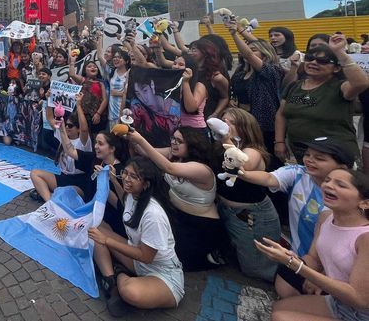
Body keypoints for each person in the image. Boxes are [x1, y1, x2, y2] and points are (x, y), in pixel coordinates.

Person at [237, 137, 354, 297]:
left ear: (342, 166)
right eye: (308, 154)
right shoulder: (298, 173)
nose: (310, 160)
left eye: (319, 158)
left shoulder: (353, 198)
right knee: (285, 292)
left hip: (337, 269)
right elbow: (269, 178)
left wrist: (321, 274)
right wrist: (239, 171)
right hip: (302, 257)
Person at [255, 169, 369, 321]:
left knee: (281, 318)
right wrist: (288, 258)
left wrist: (296, 265)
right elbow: (314, 260)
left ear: (365, 203)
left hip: (362, 314)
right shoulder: (326, 217)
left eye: (340, 185)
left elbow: (360, 299)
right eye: (327, 180)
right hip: (339, 303)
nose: (329, 185)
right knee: (278, 308)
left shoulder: (365, 237)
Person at [88, 157, 184, 316]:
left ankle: (119, 273)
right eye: (125, 173)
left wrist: (106, 241)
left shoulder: (153, 215)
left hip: (162, 273)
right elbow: (125, 200)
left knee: (130, 291)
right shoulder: (133, 196)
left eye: (134, 176)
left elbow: (146, 257)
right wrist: (112, 178)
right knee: (95, 228)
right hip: (138, 262)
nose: (126, 178)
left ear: (146, 184)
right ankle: (111, 281)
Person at [125, 125, 223, 271]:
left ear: (192, 144)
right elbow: (144, 151)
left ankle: (214, 254)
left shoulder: (202, 169)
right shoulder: (174, 155)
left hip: (201, 225)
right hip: (179, 219)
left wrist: (140, 139)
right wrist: (130, 135)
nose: (174, 143)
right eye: (173, 138)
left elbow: (169, 168)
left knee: (178, 263)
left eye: (179, 140)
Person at [275, 34, 368, 163]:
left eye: (323, 61)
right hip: (302, 152)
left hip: (335, 154)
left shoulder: (340, 87)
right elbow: (281, 114)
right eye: (309, 58)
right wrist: (279, 141)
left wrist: (340, 53)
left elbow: (362, 83)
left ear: (336, 68)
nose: (313, 62)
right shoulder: (294, 86)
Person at [213, 109, 282, 281]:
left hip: (252, 216)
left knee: (256, 269)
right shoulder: (224, 147)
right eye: (223, 121)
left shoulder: (253, 151)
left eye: (230, 122)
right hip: (228, 210)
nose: (225, 125)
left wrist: (225, 138)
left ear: (244, 127)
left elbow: (241, 164)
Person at [228, 22, 284, 155]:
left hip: (263, 125)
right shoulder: (240, 73)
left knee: (265, 158)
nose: (246, 52)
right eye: (249, 49)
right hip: (242, 123)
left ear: (265, 54)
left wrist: (235, 33)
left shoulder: (271, 71)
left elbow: (248, 54)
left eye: (254, 50)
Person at [29, 92, 93, 201]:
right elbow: (49, 118)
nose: (67, 127)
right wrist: (48, 100)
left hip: (78, 182)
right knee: (34, 174)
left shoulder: (83, 142)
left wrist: (78, 105)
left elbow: (84, 129)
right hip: (63, 177)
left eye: (71, 126)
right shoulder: (63, 135)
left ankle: (51, 196)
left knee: (64, 193)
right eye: (66, 124)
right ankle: (49, 201)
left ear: (77, 129)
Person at [69, 58, 107, 136]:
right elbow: (72, 74)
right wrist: (72, 62)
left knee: (94, 136)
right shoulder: (83, 80)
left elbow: (105, 100)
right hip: (82, 114)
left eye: (95, 66)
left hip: (95, 117)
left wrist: (98, 113)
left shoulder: (101, 83)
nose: (93, 68)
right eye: (89, 66)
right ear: (85, 70)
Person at [107, 50, 130, 126]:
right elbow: (100, 57)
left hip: (122, 110)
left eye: (119, 57)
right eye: (115, 57)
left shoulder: (129, 73)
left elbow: (131, 93)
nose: (115, 59)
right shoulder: (113, 72)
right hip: (111, 111)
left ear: (126, 61)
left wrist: (119, 94)